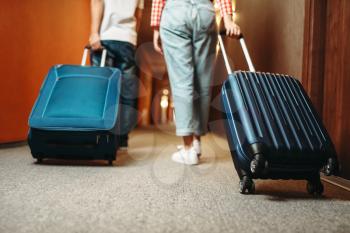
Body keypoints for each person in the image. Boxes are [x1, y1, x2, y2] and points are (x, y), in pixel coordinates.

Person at [151, 0, 240, 165]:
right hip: (204, 11)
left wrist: (156, 27)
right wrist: (227, 19)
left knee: (182, 82)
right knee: (203, 81)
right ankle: (197, 143)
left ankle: (188, 148)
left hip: (175, 12)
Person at [89, 0, 144, 149]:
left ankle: (100, 135)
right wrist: (133, 37)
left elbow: (97, 2)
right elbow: (138, 15)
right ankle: (121, 138)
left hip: (105, 37)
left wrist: (94, 32)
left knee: (101, 90)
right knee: (126, 91)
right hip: (128, 40)